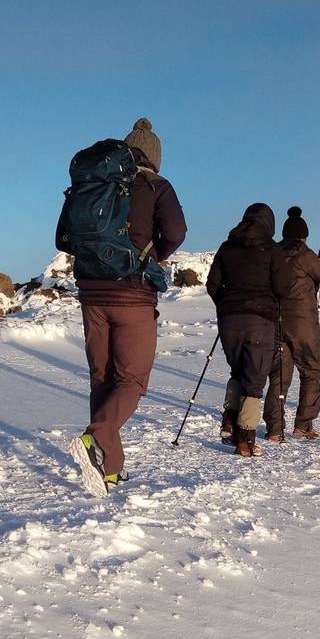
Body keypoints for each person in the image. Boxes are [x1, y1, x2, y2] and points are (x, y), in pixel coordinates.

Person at [58, 117, 187, 495]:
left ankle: (109, 468)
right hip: (133, 293)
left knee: (103, 378)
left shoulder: (92, 182)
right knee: (132, 381)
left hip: (91, 293)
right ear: (155, 157)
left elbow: (65, 238)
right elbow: (177, 232)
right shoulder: (157, 185)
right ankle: (95, 438)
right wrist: (152, 256)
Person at [206, 203, 294, 456]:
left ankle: (230, 422)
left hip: (229, 321)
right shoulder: (273, 250)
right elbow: (284, 289)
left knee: (237, 371)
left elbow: (213, 285)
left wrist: (226, 305)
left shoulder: (227, 247)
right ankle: (245, 440)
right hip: (261, 321)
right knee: (254, 380)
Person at [262, 207, 320, 440]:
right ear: (304, 236)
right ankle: (303, 424)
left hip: (276, 323)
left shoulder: (271, 253)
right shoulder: (306, 255)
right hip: (304, 325)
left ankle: (274, 430)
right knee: (311, 371)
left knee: (279, 375)